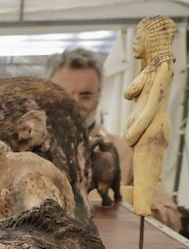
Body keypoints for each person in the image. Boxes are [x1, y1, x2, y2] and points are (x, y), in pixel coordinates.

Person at [48, 46, 134, 187]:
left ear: (99, 94)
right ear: (48, 94)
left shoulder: (125, 154)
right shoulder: (23, 152)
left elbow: (164, 206)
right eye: (64, 94)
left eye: (86, 95)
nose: (74, 103)